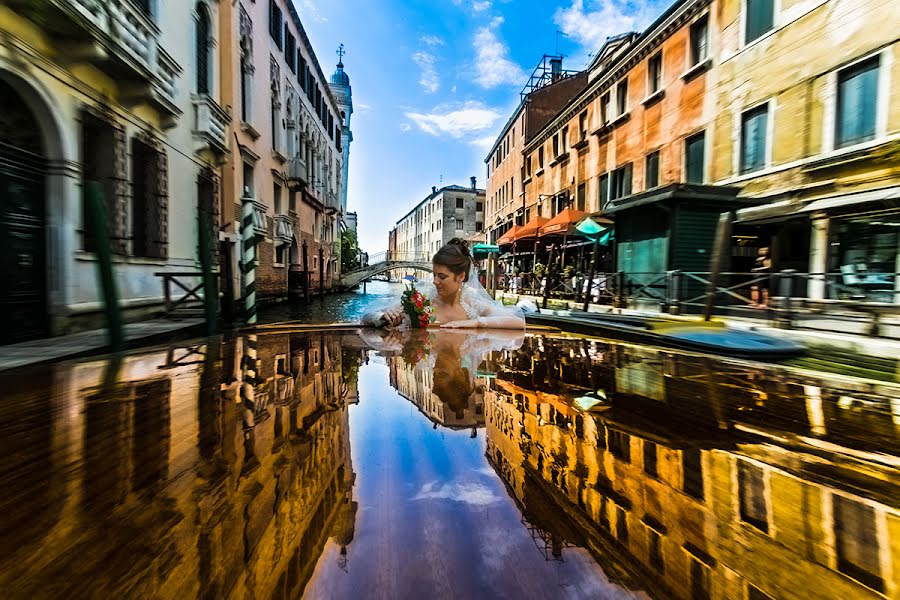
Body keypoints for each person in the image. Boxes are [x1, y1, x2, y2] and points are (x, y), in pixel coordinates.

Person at [363, 238, 525, 329]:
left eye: (442, 276)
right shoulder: (417, 301)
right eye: (434, 275)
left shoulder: (474, 306)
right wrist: (383, 317)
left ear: (461, 277)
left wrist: (474, 322)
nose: (434, 281)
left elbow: (518, 323)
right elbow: (366, 317)